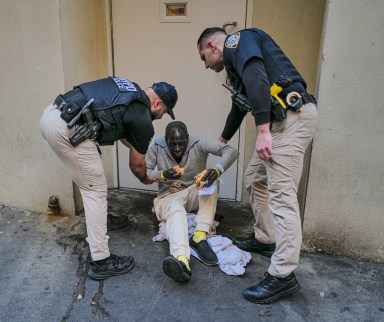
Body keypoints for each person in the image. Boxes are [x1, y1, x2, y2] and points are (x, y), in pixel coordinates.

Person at [197, 27, 319, 303]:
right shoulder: (235, 65)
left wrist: (262, 131)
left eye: (204, 58)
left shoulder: (239, 42)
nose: (205, 65)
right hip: (278, 124)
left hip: (289, 121)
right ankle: (266, 239)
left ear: (213, 46)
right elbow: (241, 104)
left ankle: (282, 276)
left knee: (282, 197)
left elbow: (257, 77)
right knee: (255, 179)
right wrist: (223, 138)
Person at [40, 76, 178, 280]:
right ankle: (101, 261)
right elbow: (136, 165)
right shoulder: (142, 118)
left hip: (54, 115)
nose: (162, 115)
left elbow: (121, 128)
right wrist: (146, 178)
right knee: (94, 190)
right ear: (158, 103)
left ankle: (100, 221)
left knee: (89, 182)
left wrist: (137, 147)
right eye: (165, 111)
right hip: (69, 127)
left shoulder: (131, 91)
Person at [146, 121, 239, 282]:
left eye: (180, 144)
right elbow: (144, 172)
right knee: (176, 208)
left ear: (187, 139)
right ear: (165, 139)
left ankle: (199, 235)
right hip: (167, 198)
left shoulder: (198, 143)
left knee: (210, 180)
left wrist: (217, 170)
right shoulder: (157, 147)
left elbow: (231, 150)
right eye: (172, 144)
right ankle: (182, 260)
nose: (176, 148)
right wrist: (162, 175)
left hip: (192, 194)